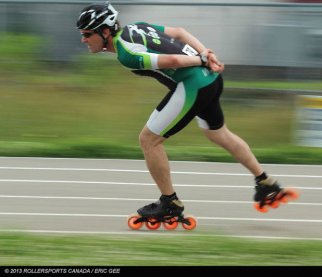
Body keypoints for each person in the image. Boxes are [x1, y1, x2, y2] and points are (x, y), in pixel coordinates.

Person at [76, 2, 297, 227]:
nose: (83, 39)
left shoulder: (126, 53)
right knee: (218, 133)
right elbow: (180, 32)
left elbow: (170, 61)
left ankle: (170, 202)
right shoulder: (137, 27)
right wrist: (206, 54)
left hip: (194, 84)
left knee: (149, 140)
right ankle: (265, 181)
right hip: (210, 79)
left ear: (105, 32)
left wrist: (201, 59)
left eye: (87, 34)